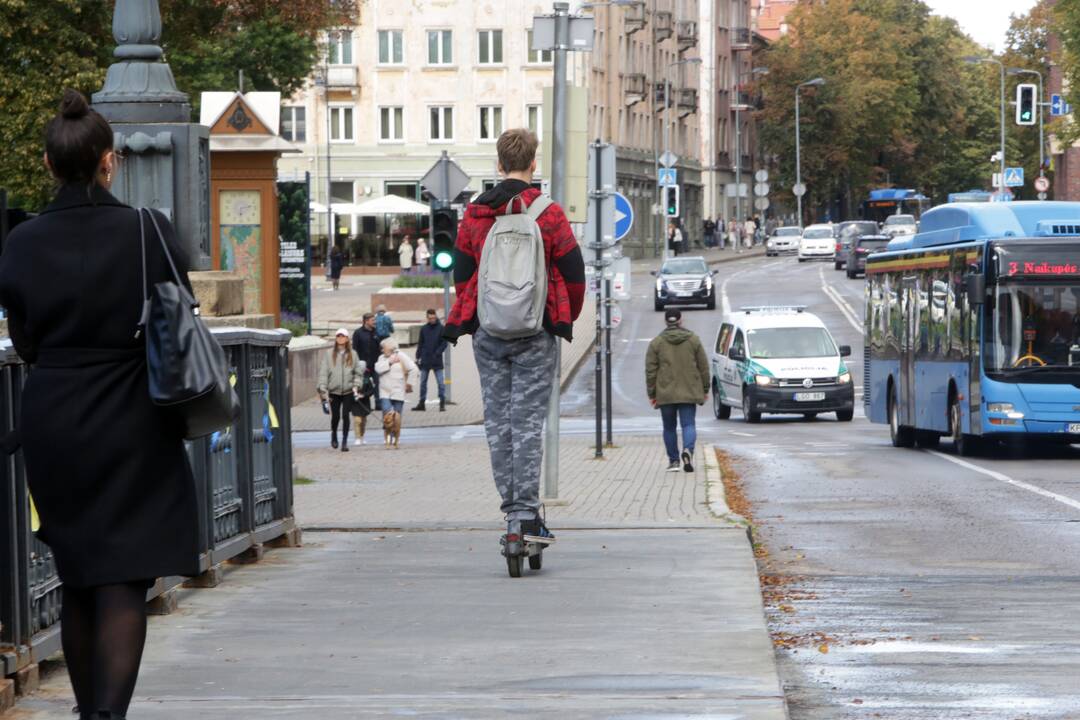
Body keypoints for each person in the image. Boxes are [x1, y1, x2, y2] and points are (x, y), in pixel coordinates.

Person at [0, 90, 201, 720]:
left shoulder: (21, 243)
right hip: (135, 415)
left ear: (47, 164)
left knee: (79, 569)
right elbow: (179, 310)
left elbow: (25, 338)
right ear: (109, 162)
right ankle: (107, 717)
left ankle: (91, 715)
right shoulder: (147, 230)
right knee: (123, 578)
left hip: (55, 416)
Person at [444, 127, 585, 546]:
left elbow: (463, 273)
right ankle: (526, 516)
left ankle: (512, 512)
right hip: (536, 330)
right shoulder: (549, 212)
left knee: (498, 422)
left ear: (499, 163)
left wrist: (475, 312)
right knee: (527, 423)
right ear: (533, 163)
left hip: (487, 332)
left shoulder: (476, 213)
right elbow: (574, 274)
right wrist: (563, 318)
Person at [645, 309, 709, 473]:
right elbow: (703, 367)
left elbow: (651, 371)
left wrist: (652, 393)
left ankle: (674, 461)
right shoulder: (693, 340)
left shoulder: (656, 343)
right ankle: (688, 450)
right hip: (689, 391)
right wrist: (705, 388)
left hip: (665, 392)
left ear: (666, 322)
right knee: (688, 424)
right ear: (681, 320)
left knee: (669, 428)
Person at [317, 329, 364, 451]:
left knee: (345, 415)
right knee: (336, 416)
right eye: (338, 336)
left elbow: (358, 373)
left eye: (343, 336)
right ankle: (334, 434)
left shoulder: (353, 354)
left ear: (347, 338)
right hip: (334, 390)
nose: (341, 338)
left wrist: (356, 385)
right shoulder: (329, 354)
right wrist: (322, 386)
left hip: (348, 390)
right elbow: (323, 372)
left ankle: (344, 441)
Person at [351, 313, 381, 444]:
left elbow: (380, 348)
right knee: (363, 386)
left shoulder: (376, 333)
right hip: (362, 367)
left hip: (374, 366)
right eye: (372, 320)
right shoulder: (358, 333)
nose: (374, 322)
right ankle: (362, 406)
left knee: (375, 386)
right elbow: (354, 350)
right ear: (365, 321)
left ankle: (377, 403)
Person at [413, 308, 448, 412]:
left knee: (441, 383)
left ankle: (442, 403)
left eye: (433, 318)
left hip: (437, 360)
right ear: (427, 318)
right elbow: (420, 343)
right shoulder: (424, 329)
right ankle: (421, 403)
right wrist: (418, 356)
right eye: (430, 318)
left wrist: (438, 353)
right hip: (425, 360)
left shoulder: (441, 328)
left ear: (436, 316)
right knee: (423, 383)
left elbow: (444, 343)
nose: (432, 320)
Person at [375, 337, 418, 417]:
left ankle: (395, 429)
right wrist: (389, 363)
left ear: (390, 347)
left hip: (398, 391)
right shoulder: (381, 358)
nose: (382, 350)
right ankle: (387, 428)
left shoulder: (401, 356)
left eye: (383, 348)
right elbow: (378, 369)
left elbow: (414, 369)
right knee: (387, 412)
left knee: (397, 416)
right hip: (385, 392)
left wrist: (409, 383)